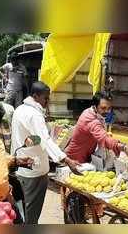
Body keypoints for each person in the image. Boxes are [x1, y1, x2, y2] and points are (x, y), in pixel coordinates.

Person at [11, 82, 80, 224]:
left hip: (21, 167)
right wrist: (66, 160)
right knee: (31, 212)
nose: (47, 102)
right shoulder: (34, 114)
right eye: (45, 98)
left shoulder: (20, 110)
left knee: (23, 208)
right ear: (35, 96)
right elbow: (45, 140)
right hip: (34, 170)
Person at [65, 92, 128, 164]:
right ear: (95, 106)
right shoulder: (90, 119)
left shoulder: (91, 111)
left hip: (85, 155)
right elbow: (103, 138)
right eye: (103, 108)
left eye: (109, 108)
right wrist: (124, 147)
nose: (107, 111)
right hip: (75, 159)